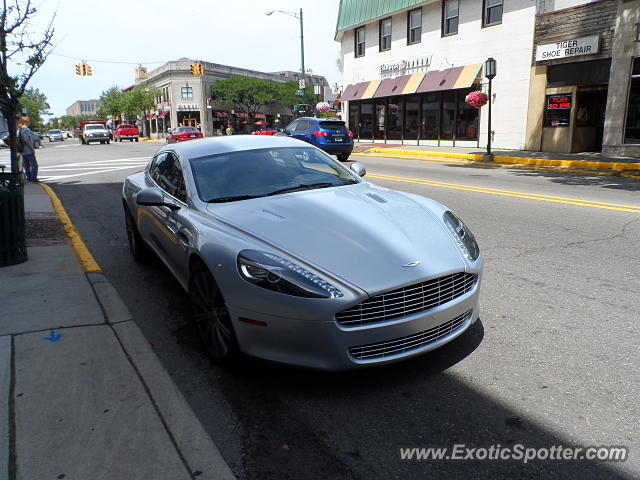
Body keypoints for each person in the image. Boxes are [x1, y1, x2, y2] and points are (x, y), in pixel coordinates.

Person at [18, 116, 38, 183]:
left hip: (22, 150)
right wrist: (32, 149)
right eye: (28, 121)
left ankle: (29, 178)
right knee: (34, 165)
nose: (30, 122)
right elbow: (26, 140)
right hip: (28, 150)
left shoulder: (20, 129)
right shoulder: (26, 129)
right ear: (25, 122)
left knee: (26, 165)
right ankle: (33, 178)